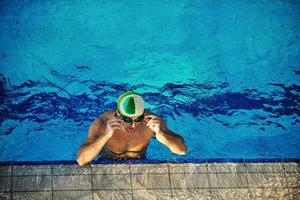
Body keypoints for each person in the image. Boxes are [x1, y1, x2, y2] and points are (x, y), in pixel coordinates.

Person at [77, 91, 186, 166]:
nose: (133, 125)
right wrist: (105, 136)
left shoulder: (151, 121)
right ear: (117, 114)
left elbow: (181, 150)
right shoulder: (102, 123)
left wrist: (160, 133)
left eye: (138, 119)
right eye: (128, 120)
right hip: (108, 162)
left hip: (140, 162)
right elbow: (81, 160)